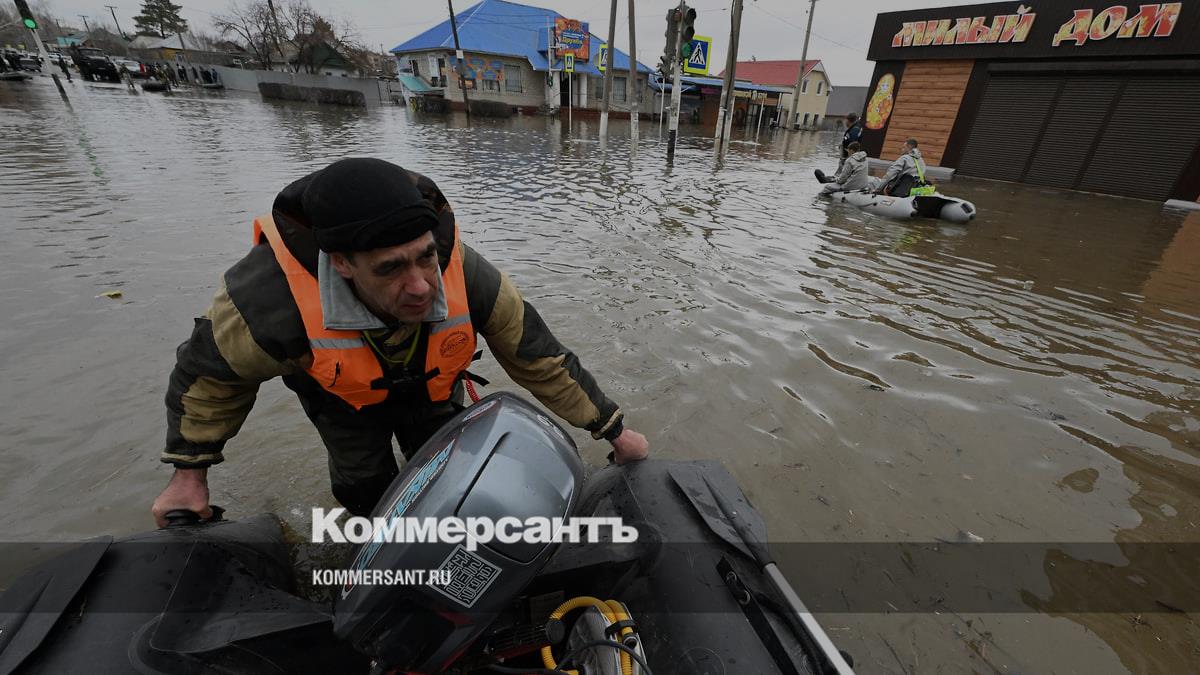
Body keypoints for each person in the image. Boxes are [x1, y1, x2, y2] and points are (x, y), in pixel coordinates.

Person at [152, 158, 650, 526]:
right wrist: (189, 474)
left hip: (433, 388)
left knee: (454, 477)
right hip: (343, 400)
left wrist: (613, 431)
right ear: (341, 264)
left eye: (424, 258)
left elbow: (541, 359)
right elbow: (211, 383)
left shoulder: (468, 275)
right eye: (390, 268)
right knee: (364, 489)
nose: (419, 286)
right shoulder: (265, 302)